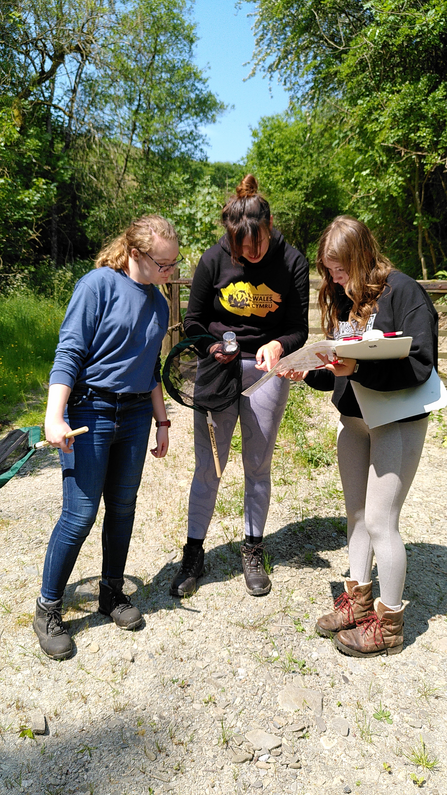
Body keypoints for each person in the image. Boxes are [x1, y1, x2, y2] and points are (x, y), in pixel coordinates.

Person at [284, 215, 438, 657]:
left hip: (396, 421)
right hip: (354, 422)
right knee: (355, 517)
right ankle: (358, 601)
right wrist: (309, 370)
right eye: (330, 271)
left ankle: (389, 627)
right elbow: (342, 370)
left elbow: (420, 364)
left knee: (380, 522)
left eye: (342, 268)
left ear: (363, 256)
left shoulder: (404, 291)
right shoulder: (341, 296)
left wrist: (360, 367)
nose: (335, 278)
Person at [33, 215, 180, 660]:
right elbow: (70, 350)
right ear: (136, 255)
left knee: (122, 508)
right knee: (79, 515)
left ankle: (112, 593)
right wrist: (53, 416)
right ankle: (48, 608)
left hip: (136, 415)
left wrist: (162, 422)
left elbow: (150, 368)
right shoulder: (97, 285)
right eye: (163, 264)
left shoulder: (158, 304)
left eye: (175, 264)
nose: (170, 273)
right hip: (90, 411)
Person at [170, 174, 309, 599]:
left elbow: (299, 329)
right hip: (217, 372)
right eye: (241, 251)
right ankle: (194, 553)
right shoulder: (214, 259)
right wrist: (212, 345)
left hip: (266, 373)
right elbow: (191, 321)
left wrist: (277, 343)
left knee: (258, 465)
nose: (249, 256)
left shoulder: (291, 261)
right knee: (209, 468)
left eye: (257, 247)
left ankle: (252, 548)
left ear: (270, 227)